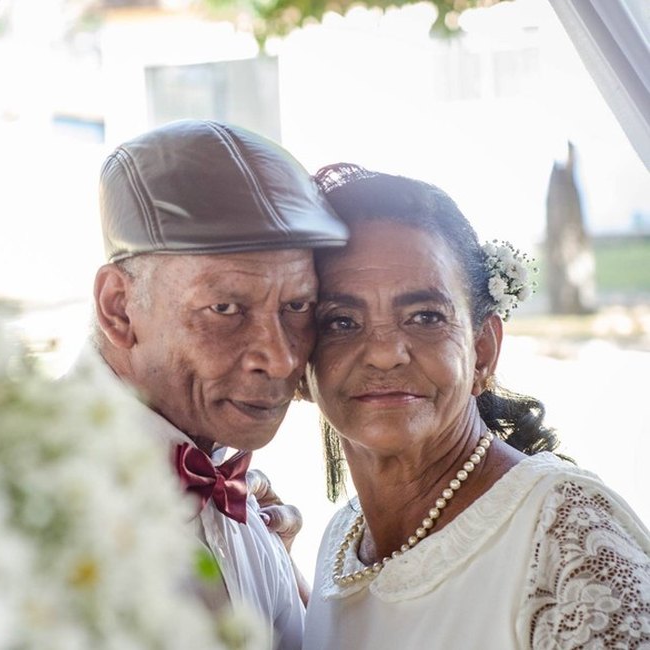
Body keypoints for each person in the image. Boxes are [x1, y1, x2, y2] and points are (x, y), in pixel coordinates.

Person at [300, 163, 650, 649]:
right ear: (300, 363)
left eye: (424, 316)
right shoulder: (342, 544)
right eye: (340, 321)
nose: (384, 352)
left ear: (482, 350)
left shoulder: (565, 538)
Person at [91, 119, 348, 650]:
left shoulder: (244, 508)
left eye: (297, 306)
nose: (280, 358)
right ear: (119, 309)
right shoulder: (24, 501)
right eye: (225, 308)